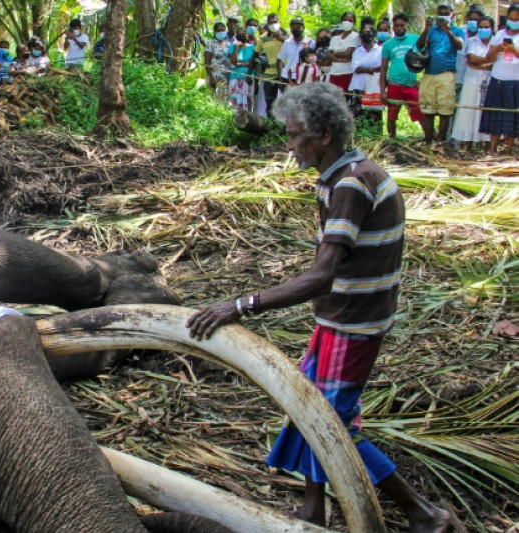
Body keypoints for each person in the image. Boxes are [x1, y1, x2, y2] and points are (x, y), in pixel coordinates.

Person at [186, 82, 452, 533]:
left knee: (333, 427)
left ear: (325, 135)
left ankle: (424, 513)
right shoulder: (343, 175)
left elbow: (322, 275)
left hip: (354, 323)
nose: (290, 146)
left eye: (295, 136)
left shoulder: (349, 185)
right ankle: (314, 509)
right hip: (342, 317)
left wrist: (241, 305)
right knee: (308, 407)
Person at [416, 4, 465, 144]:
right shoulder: (431, 30)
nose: (443, 15)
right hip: (429, 74)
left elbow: (459, 45)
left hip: (447, 74)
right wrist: (426, 29)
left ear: (452, 14)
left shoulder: (457, 30)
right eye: (441, 13)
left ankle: (440, 142)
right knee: (428, 110)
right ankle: (428, 141)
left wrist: (448, 31)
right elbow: (419, 46)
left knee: (445, 111)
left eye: (446, 13)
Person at [479, 3, 519, 156]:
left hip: (515, 81)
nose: (514, 21)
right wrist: (497, 49)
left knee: (512, 115)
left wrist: (513, 51)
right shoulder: (499, 34)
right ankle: (492, 148)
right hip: (497, 79)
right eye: (511, 18)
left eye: (517, 19)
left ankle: (508, 149)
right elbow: (488, 58)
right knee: (494, 114)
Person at [451, 16, 495, 150]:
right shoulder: (471, 41)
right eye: (481, 26)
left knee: (486, 111)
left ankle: (488, 144)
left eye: (486, 27)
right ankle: (468, 143)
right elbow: (471, 58)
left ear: (492, 28)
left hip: (490, 81)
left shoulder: (496, 42)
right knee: (470, 111)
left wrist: (480, 63)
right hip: (471, 80)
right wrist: (487, 62)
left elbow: (495, 63)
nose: (483, 29)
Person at [381, 13, 426, 139]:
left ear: (407, 25)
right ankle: (391, 142)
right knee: (391, 116)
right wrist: (382, 91)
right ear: (393, 27)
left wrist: (422, 80)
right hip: (394, 85)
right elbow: (383, 69)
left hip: (411, 85)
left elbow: (426, 59)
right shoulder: (388, 44)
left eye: (402, 25)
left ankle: (430, 140)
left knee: (421, 114)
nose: (399, 28)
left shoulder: (415, 39)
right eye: (396, 26)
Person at [350, 24, 383, 124]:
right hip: (358, 86)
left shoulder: (380, 50)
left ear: (374, 34)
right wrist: (372, 69)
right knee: (358, 115)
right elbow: (356, 68)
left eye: (368, 32)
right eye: (363, 32)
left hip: (374, 87)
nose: (366, 34)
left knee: (374, 114)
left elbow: (382, 67)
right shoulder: (357, 51)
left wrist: (365, 69)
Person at [255, 13, 286, 116]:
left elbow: (293, 48)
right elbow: (256, 54)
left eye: (275, 22)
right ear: (267, 24)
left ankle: (286, 129)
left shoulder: (288, 36)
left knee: (287, 102)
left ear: (279, 22)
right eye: (271, 22)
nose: (273, 24)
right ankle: (271, 127)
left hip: (285, 74)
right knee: (270, 103)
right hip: (269, 75)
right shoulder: (263, 38)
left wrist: (281, 38)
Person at [328, 11, 361, 94]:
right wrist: (340, 59)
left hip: (347, 73)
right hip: (334, 73)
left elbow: (347, 53)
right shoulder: (335, 39)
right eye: (345, 20)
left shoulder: (355, 36)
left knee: (345, 98)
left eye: (350, 20)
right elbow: (328, 54)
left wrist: (334, 54)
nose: (347, 22)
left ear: (354, 22)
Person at [280, 17, 315, 86]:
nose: (296, 29)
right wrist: (280, 79)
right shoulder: (287, 42)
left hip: (303, 78)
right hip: (286, 77)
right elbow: (279, 60)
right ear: (290, 29)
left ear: (303, 28)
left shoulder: (311, 42)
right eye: (293, 27)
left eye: (299, 27)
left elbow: (313, 62)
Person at [458, 6, 485, 91]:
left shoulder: (483, 36)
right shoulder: (460, 30)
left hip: (473, 78)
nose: (473, 22)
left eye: (476, 20)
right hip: (456, 76)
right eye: (470, 19)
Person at [228, 31, 255, 111]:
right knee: (235, 101)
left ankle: (248, 120)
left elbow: (252, 63)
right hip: (235, 77)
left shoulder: (252, 47)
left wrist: (239, 64)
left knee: (248, 99)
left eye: (244, 34)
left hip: (248, 77)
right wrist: (236, 46)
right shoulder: (232, 46)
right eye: (240, 34)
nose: (242, 36)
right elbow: (233, 62)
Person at [205, 22, 233, 99]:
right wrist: (211, 78)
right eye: (218, 30)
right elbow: (207, 62)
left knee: (222, 101)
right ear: (215, 32)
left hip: (225, 77)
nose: (221, 32)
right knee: (212, 99)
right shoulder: (210, 43)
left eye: (222, 30)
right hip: (213, 76)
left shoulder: (228, 44)